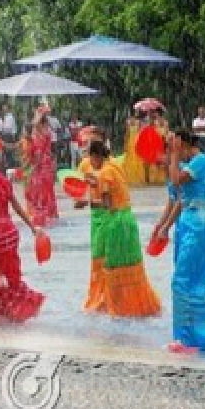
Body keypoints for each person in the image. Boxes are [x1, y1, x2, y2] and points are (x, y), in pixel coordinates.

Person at [153, 129, 205, 354]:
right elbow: (180, 199)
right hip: (187, 224)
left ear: (186, 145)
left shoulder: (201, 161)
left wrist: (174, 154)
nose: (171, 152)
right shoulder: (189, 164)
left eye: (176, 146)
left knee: (182, 280)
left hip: (197, 226)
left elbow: (177, 181)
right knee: (196, 280)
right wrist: (165, 227)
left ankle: (186, 339)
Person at [86, 140, 161, 317]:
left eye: (91, 158)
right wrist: (95, 180)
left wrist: (86, 202)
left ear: (96, 156)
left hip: (116, 225)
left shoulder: (105, 173)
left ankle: (120, 310)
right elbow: (115, 187)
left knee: (114, 269)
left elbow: (107, 205)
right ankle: (139, 306)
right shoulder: (115, 165)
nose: (91, 163)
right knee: (132, 268)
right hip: (128, 220)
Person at [0, 147, 46, 322]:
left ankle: (11, 308)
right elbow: (16, 206)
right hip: (11, 232)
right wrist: (32, 227)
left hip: (1, 234)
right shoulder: (5, 182)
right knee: (7, 273)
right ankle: (11, 307)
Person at [76, 127, 111, 313]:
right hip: (95, 217)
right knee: (97, 258)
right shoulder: (85, 165)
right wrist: (81, 199)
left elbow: (110, 199)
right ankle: (98, 296)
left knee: (106, 258)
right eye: (89, 140)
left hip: (108, 215)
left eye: (95, 139)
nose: (91, 142)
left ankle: (107, 297)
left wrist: (88, 201)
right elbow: (78, 188)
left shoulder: (109, 166)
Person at [25, 107, 59, 227]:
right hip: (47, 163)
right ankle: (50, 214)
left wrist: (34, 167)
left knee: (39, 191)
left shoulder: (38, 134)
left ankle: (41, 217)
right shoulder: (46, 131)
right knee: (48, 190)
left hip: (41, 165)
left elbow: (38, 153)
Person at [121, 115, 147, 186]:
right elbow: (126, 135)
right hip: (130, 144)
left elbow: (140, 133)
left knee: (138, 160)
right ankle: (130, 178)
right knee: (130, 160)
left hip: (137, 143)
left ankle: (138, 179)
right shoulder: (128, 124)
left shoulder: (138, 123)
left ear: (135, 118)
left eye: (133, 118)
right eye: (130, 118)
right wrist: (125, 145)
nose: (132, 120)